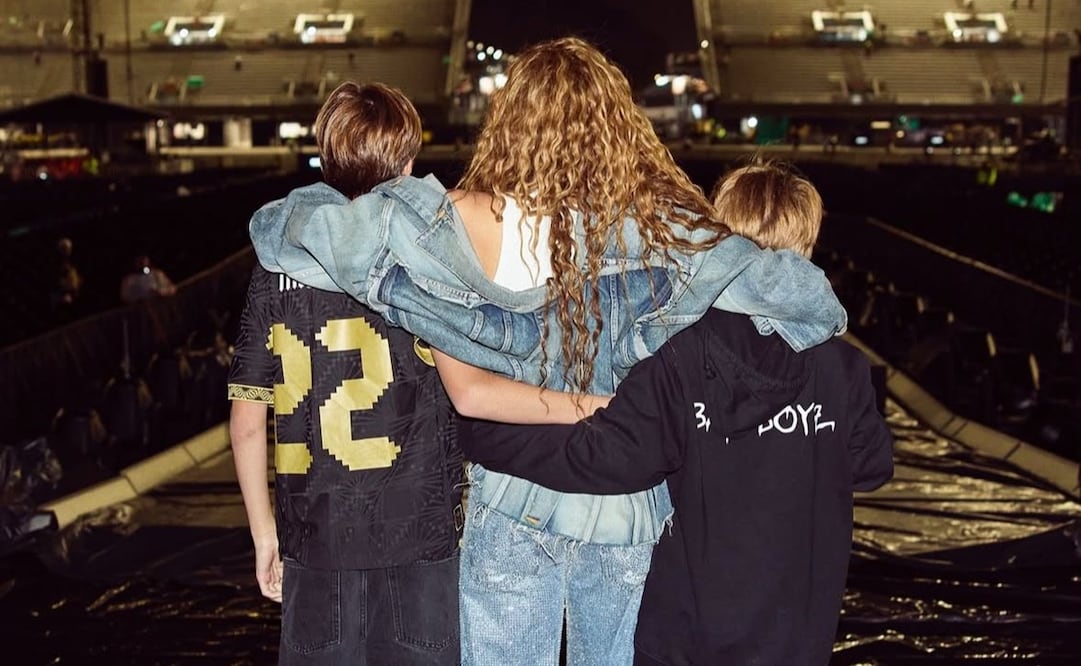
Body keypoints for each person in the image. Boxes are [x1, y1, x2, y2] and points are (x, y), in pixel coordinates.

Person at [248, 38, 848, 664]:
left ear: (508, 119)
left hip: (513, 500)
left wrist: (304, 201)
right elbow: (793, 294)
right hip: (627, 508)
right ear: (619, 124)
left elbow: (295, 233)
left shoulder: (454, 219)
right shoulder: (667, 226)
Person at [459, 160, 896, 665]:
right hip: (797, 638)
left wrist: (484, 434)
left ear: (717, 232)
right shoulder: (840, 367)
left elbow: (602, 456)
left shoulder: (683, 349)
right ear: (808, 241)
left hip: (688, 641)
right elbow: (871, 465)